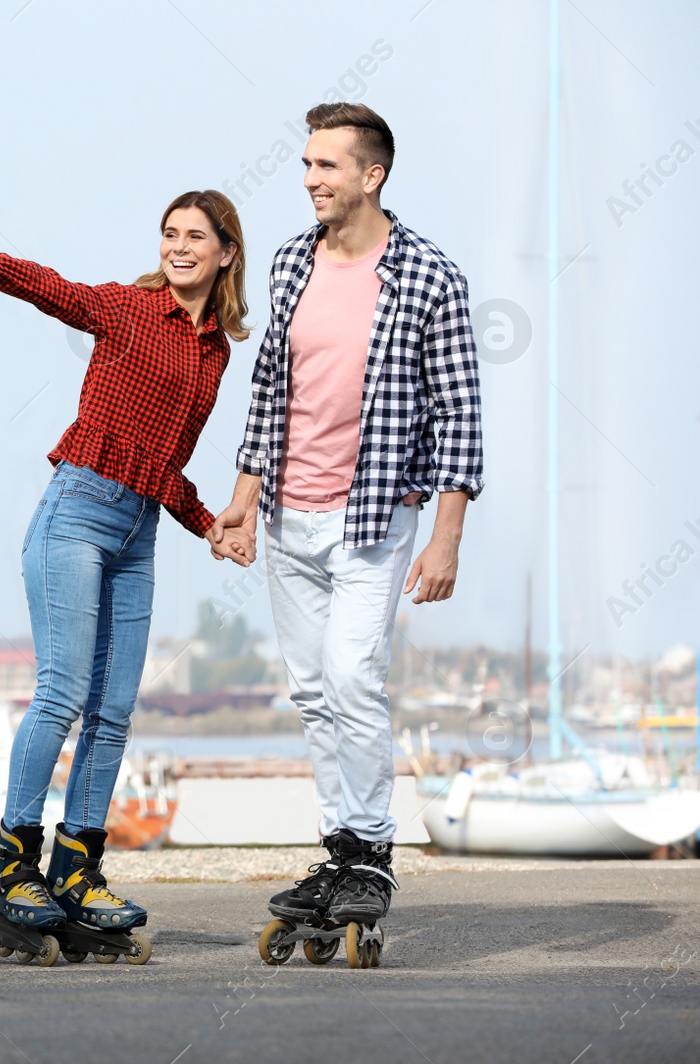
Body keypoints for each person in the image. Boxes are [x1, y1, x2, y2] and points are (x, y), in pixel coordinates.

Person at [0, 191, 254, 961]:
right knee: (63, 692)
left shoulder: (215, 352)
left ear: (227, 252)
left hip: (139, 535)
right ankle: (10, 873)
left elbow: (167, 466)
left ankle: (76, 872)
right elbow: (54, 289)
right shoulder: (131, 309)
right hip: (76, 514)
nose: (178, 245)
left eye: (195, 236)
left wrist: (211, 530)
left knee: (114, 710)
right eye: (169, 233)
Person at [212, 102, 483, 945]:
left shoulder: (430, 275)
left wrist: (446, 538)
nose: (309, 181)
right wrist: (244, 498)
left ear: (373, 175)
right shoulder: (294, 261)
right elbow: (269, 394)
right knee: (312, 690)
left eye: (325, 166)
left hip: (376, 518)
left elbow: (461, 417)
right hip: (289, 512)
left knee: (353, 676)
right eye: (305, 165)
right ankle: (340, 848)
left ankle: (370, 853)